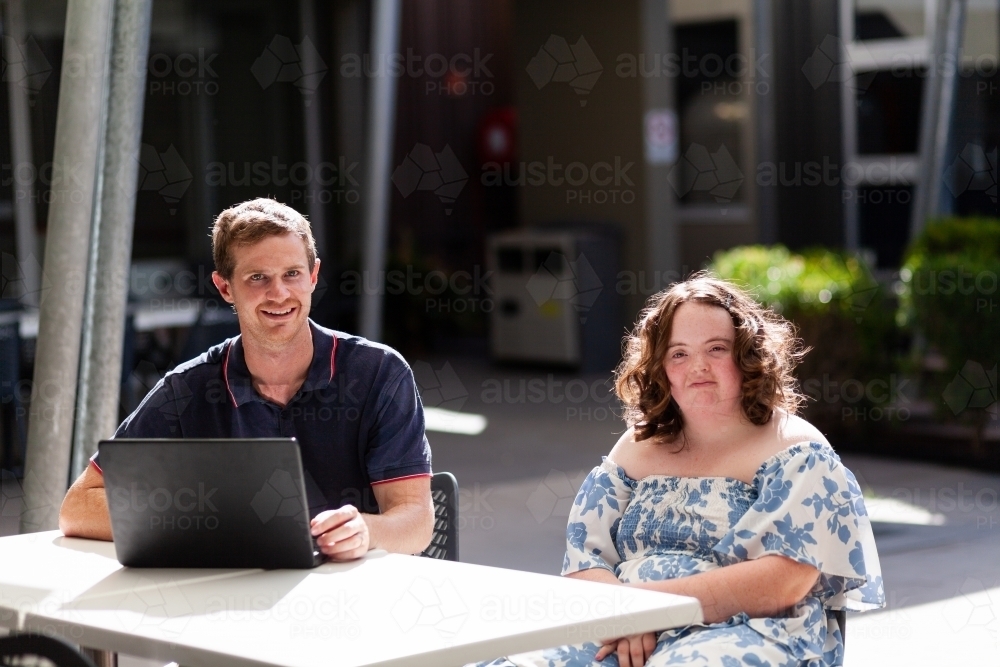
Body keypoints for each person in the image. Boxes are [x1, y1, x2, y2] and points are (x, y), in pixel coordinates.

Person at [480, 275, 883, 667]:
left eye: (717, 349)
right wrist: (627, 613)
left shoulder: (796, 449)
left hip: (749, 631)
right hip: (623, 629)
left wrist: (650, 609)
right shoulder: (636, 448)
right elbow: (584, 561)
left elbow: (782, 581)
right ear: (660, 368)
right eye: (679, 353)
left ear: (748, 357)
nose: (698, 367)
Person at [58, 198, 434, 561]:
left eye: (292, 274)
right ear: (225, 287)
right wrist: (209, 522)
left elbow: (415, 520)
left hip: (354, 597)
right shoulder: (187, 389)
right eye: (258, 277)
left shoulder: (380, 373)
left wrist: (367, 532)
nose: (279, 293)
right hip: (233, 603)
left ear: (313, 276)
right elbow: (78, 507)